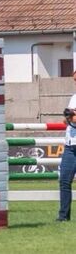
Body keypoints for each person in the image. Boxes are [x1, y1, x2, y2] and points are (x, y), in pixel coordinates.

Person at [58, 69, 76, 221]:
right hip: (70, 146)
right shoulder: (74, 97)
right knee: (64, 180)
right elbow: (67, 121)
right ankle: (63, 217)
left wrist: (71, 117)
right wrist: (70, 117)